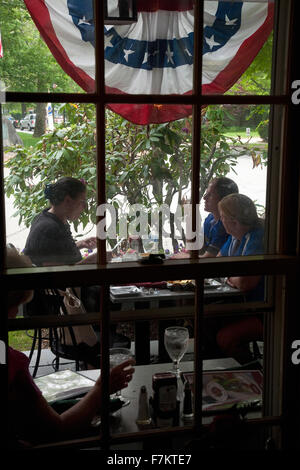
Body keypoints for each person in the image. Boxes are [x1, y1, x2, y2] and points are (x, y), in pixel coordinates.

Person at [6, 245, 135, 447]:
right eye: (14, 307)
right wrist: (101, 389)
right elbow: (57, 429)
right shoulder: (9, 363)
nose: (14, 315)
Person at [214, 193, 264, 363]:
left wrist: (229, 277)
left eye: (222, 217)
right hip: (248, 307)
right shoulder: (236, 237)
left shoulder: (256, 237)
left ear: (234, 222)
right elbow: (217, 264)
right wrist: (231, 276)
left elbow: (245, 282)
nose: (220, 221)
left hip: (267, 312)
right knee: (207, 322)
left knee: (224, 338)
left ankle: (254, 373)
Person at [23, 177, 98, 267]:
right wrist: (91, 261)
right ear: (68, 201)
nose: (84, 207)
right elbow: (56, 274)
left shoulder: (52, 218)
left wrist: (80, 244)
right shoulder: (48, 228)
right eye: (82, 202)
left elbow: (55, 250)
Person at [172, 177, 239, 258]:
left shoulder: (224, 225)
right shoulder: (210, 218)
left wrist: (179, 256)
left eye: (210, 195)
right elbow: (197, 247)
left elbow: (207, 258)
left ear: (223, 199)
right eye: (206, 193)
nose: (204, 197)